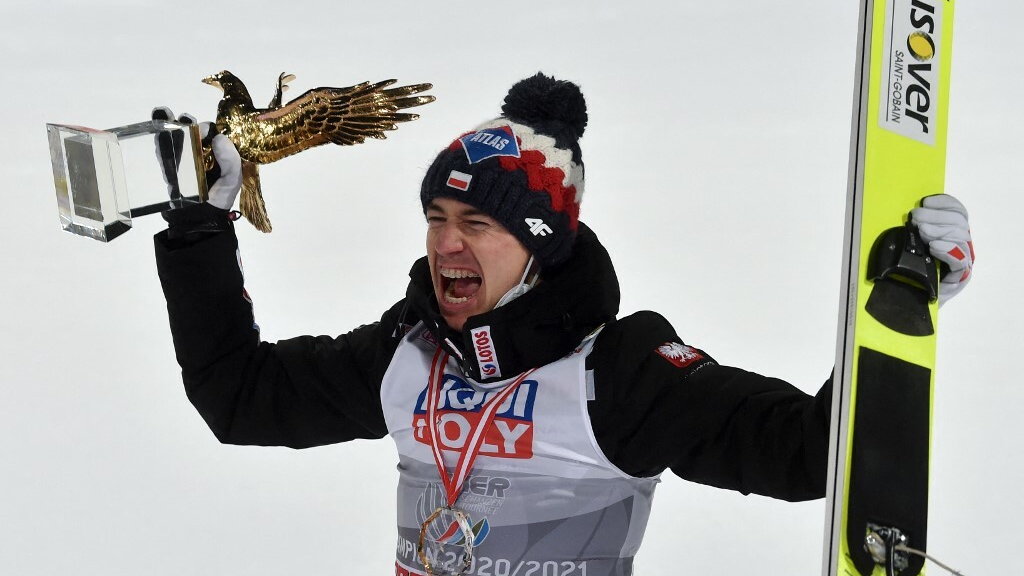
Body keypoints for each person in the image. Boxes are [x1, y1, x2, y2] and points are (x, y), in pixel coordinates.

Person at [153, 74, 974, 576]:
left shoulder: (617, 374)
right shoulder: (408, 353)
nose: (445, 244)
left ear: (539, 245)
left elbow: (808, 452)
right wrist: (199, 232)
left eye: (477, 224)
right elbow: (241, 397)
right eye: (436, 216)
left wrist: (899, 309)